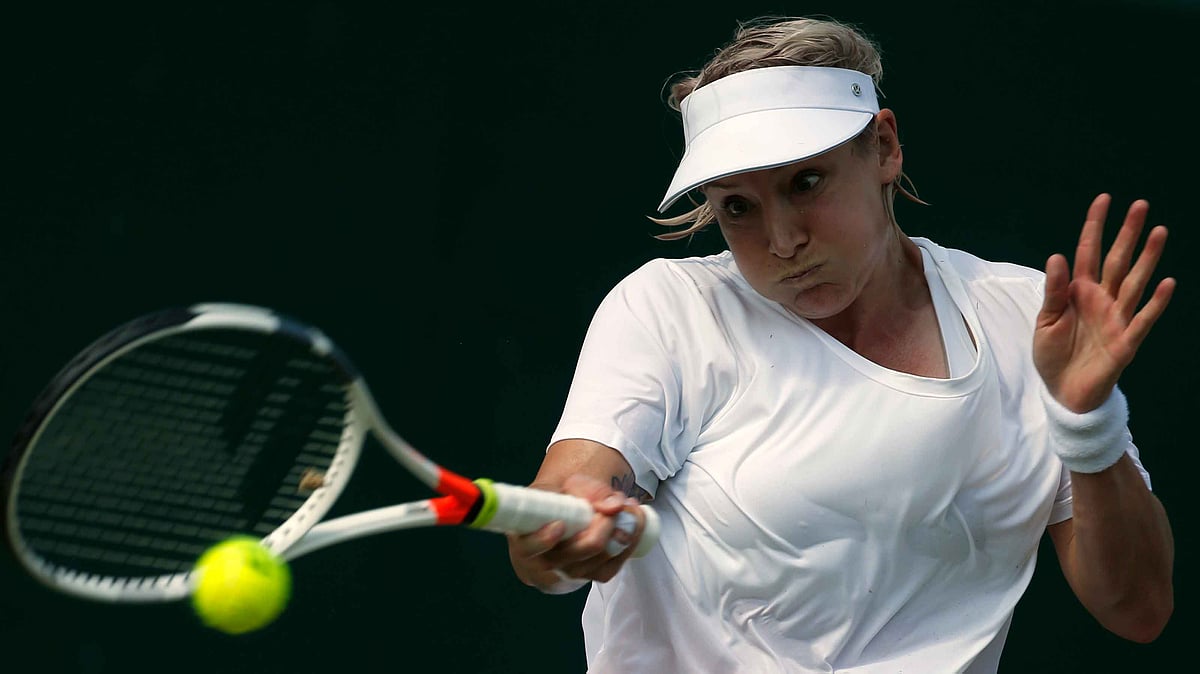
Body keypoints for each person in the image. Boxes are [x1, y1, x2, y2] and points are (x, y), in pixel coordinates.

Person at [506, 15, 1175, 673]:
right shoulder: (670, 308)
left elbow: (1140, 610)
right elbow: (564, 504)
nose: (783, 241)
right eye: (737, 206)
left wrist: (1086, 423)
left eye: (806, 182)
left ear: (883, 147)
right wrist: (564, 532)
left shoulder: (1027, 320)